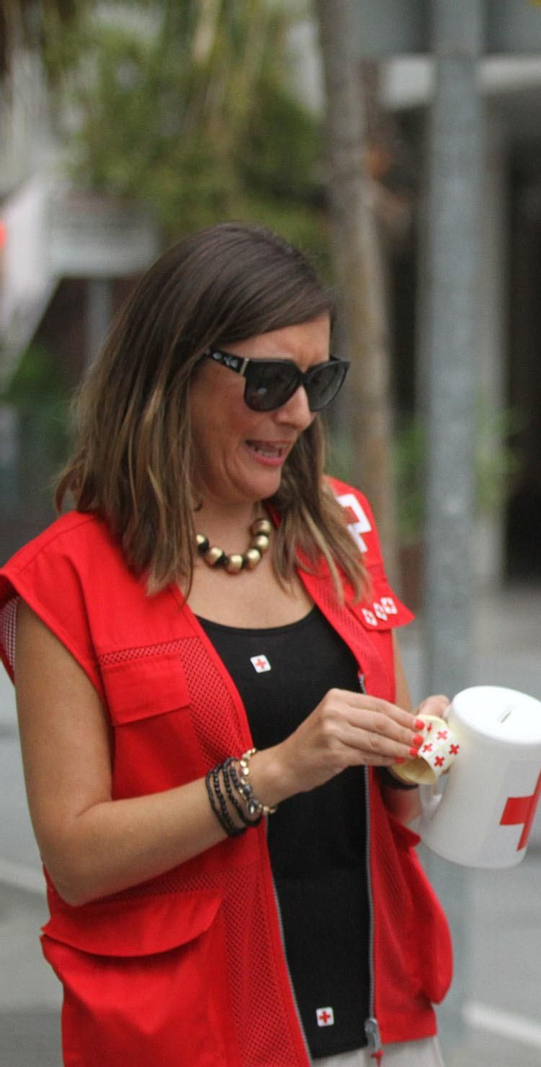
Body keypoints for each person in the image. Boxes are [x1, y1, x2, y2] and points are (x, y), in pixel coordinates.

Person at [0, 223, 451, 1066]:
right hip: (192, 1034)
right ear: (174, 370)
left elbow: (375, 791)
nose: (298, 412)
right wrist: (271, 772)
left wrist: (410, 755)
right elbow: (76, 854)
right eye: (272, 379)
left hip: (381, 1022)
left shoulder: (340, 524)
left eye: (319, 379)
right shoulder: (64, 578)